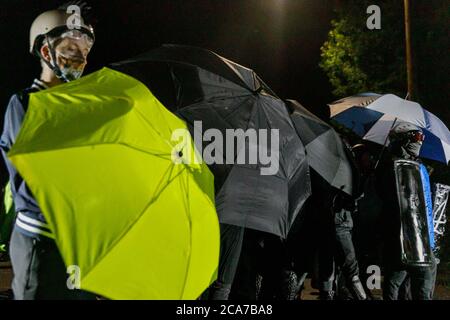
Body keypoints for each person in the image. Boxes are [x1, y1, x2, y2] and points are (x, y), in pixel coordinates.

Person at [0, 3, 95, 299]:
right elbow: (37, 182)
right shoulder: (24, 105)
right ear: (45, 52)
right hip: (40, 241)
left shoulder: (83, 108)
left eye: (84, 49)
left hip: (79, 244)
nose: (79, 57)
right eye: (70, 47)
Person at [375, 122, 436, 300]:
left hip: (413, 239)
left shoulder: (418, 167)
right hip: (405, 238)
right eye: (417, 137)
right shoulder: (394, 169)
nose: (420, 141)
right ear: (404, 140)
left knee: (398, 284)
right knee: (410, 285)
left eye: (421, 138)